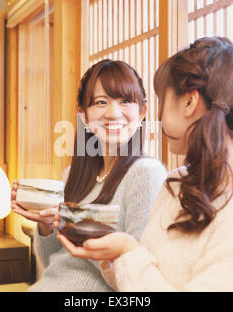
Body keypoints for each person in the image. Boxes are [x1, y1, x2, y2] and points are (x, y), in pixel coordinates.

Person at [57, 37, 233, 291]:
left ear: (188, 102)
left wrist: (127, 250)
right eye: (101, 102)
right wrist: (116, 253)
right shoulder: (177, 183)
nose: (156, 115)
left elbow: (138, 266)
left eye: (160, 99)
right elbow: (140, 277)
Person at [11, 59, 168, 291]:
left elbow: (138, 274)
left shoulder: (145, 174)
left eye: (125, 101)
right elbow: (54, 262)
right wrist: (46, 225)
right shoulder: (71, 176)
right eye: (101, 102)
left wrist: (78, 227)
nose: (113, 113)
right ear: (83, 115)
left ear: (142, 112)